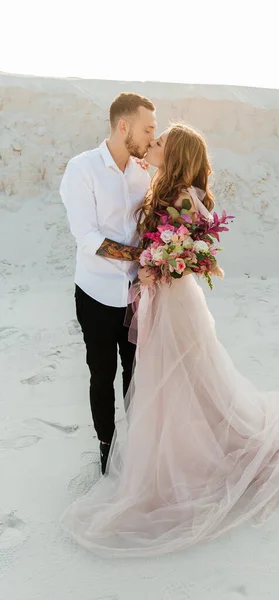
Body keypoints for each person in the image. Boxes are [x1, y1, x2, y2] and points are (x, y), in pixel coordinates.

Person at [61, 123, 279, 557]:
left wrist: (159, 262)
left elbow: (189, 252)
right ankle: (161, 446)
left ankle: (183, 452)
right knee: (171, 374)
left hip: (174, 301)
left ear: (176, 155)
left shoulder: (184, 196)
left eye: (160, 143)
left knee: (181, 372)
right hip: (161, 298)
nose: (152, 145)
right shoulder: (164, 187)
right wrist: (155, 259)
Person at [60, 92, 156, 473]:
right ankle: (107, 444)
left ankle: (140, 444)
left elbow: (148, 228)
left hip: (137, 295)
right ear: (123, 126)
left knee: (137, 376)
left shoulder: (143, 171)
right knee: (102, 374)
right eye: (148, 128)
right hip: (96, 293)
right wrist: (142, 257)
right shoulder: (82, 169)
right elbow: (89, 238)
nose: (153, 135)